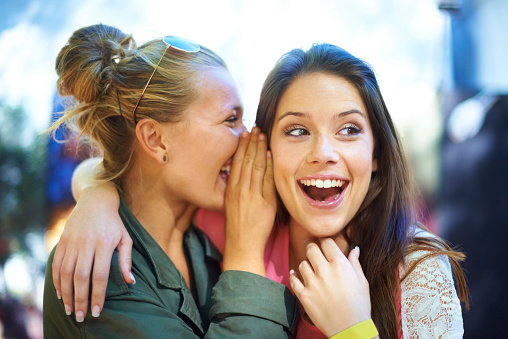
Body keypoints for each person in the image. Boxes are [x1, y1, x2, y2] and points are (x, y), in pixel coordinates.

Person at [52, 42, 468, 338]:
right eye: (297, 130)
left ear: (376, 152)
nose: (324, 153)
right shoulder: (231, 218)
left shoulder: (416, 269)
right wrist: (98, 196)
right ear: (269, 148)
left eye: (349, 129)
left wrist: (353, 330)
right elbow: (134, 178)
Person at [42, 23, 298, 338]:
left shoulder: (202, 243)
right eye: (231, 119)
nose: (248, 137)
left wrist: (95, 189)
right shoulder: (102, 267)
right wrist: (245, 252)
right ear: (156, 140)